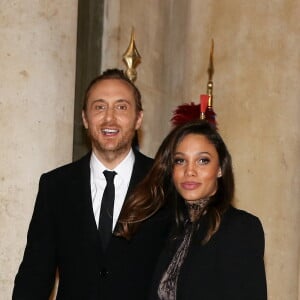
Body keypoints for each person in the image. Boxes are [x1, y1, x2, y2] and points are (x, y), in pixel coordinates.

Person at [13, 69, 170, 300]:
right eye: (99, 107)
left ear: (138, 119)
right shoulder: (56, 186)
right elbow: (35, 273)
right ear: (85, 119)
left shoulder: (165, 183)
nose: (109, 118)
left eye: (121, 107)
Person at [116, 120, 267, 300]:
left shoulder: (240, 227)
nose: (190, 170)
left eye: (203, 160)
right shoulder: (169, 229)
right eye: (180, 161)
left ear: (219, 169)